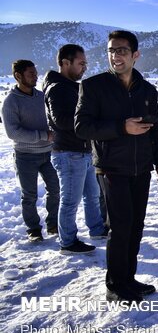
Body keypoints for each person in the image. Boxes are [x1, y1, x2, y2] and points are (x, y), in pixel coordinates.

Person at [75, 30, 158, 303]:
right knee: (120, 226)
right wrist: (122, 127)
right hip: (111, 167)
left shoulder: (148, 90)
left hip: (142, 168)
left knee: (136, 226)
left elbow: (155, 130)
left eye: (122, 50)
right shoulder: (93, 86)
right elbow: (82, 127)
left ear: (135, 55)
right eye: (112, 50)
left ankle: (129, 278)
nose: (116, 56)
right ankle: (115, 285)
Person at [43, 44, 108, 254]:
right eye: (81, 63)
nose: (84, 68)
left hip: (83, 151)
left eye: (85, 63)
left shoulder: (70, 86)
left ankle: (97, 229)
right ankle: (68, 242)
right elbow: (60, 120)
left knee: (92, 194)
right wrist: (89, 119)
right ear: (65, 63)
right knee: (70, 200)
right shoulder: (57, 88)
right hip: (68, 153)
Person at [1, 60, 59, 242]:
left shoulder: (41, 96)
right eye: (31, 74)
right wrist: (43, 135)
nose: (35, 76)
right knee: (29, 195)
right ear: (18, 76)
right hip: (25, 156)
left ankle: (53, 224)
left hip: (48, 153)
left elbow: (51, 118)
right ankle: (33, 229)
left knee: (56, 189)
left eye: (35, 73)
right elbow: (13, 132)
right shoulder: (11, 102)